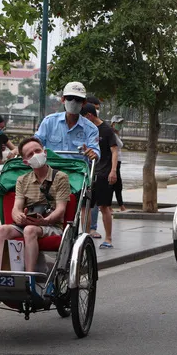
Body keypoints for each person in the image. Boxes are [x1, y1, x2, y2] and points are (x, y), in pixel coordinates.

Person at [0, 137, 71, 272]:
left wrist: (45, 221)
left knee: (30, 230)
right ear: (26, 162)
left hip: (51, 225)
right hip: (28, 222)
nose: (35, 155)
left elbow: (61, 209)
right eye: (30, 154)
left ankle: (29, 276)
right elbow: (16, 208)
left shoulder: (61, 177)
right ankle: (2, 273)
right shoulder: (22, 180)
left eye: (38, 151)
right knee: (1, 230)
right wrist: (18, 216)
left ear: (44, 153)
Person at [81, 104, 118, 248]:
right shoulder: (86, 129)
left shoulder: (106, 130)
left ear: (89, 116)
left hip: (103, 173)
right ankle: (84, 236)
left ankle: (108, 238)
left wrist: (113, 170)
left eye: (84, 118)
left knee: (104, 206)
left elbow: (114, 151)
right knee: (85, 207)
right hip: (88, 173)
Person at [34, 81, 99, 161]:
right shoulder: (49, 122)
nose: (73, 102)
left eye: (78, 99)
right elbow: (36, 142)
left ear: (84, 103)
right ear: (63, 99)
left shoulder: (91, 129)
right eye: (70, 98)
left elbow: (95, 151)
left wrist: (93, 154)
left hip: (77, 171)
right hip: (51, 169)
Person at [110, 115, 127, 212]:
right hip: (114, 162)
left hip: (118, 162)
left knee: (118, 185)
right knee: (115, 184)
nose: (120, 126)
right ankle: (115, 205)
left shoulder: (116, 134)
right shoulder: (112, 134)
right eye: (118, 123)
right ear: (113, 124)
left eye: (121, 124)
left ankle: (120, 205)